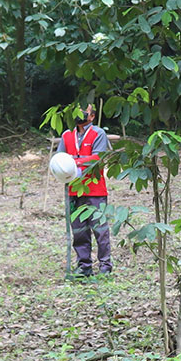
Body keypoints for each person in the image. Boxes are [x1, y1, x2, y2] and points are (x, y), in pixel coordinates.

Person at [58, 103, 114, 278]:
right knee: (78, 230)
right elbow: (60, 159)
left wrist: (73, 163)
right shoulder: (67, 135)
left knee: (100, 228)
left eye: (85, 111)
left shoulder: (98, 133)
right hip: (74, 190)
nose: (80, 114)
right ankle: (84, 266)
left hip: (95, 190)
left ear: (92, 116)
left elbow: (97, 158)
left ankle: (105, 266)